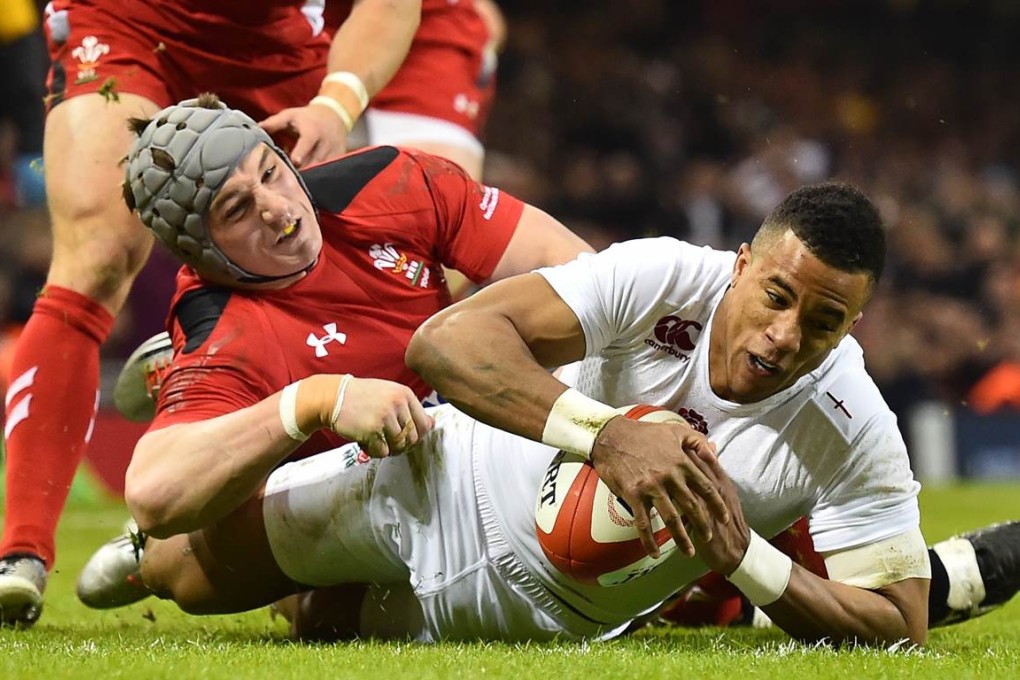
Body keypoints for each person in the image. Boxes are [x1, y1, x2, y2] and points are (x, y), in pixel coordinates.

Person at [84, 166, 935, 644]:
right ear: (742, 263)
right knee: (182, 572)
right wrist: (603, 438)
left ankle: (310, 580)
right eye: (777, 296)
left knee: (321, 622)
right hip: (442, 479)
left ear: (855, 325)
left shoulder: (851, 422)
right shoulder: (666, 277)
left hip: (535, 618)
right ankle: (196, 397)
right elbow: (445, 345)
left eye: (824, 323)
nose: (787, 336)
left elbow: (901, 624)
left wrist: (743, 554)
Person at [0, 0, 503, 627]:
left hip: (306, 32)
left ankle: (208, 387)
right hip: (138, 17)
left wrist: (336, 103)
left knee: (425, 264)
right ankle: (20, 555)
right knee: (97, 257)